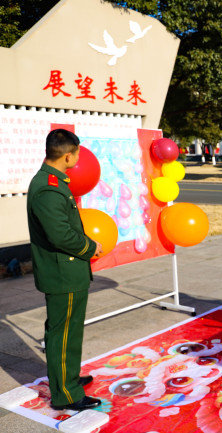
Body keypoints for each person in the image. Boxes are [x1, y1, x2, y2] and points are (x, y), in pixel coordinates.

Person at [27, 129, 103, 411]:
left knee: (69, 332)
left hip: (66, 271)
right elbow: (59, 235)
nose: (79, 158)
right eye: (78, 154)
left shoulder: (54, 181)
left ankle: (68, 379)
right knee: (62, 335)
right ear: (68, 155)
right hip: (62, 273)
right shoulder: (48, 187)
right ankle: (66, 395)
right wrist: (90, 247)